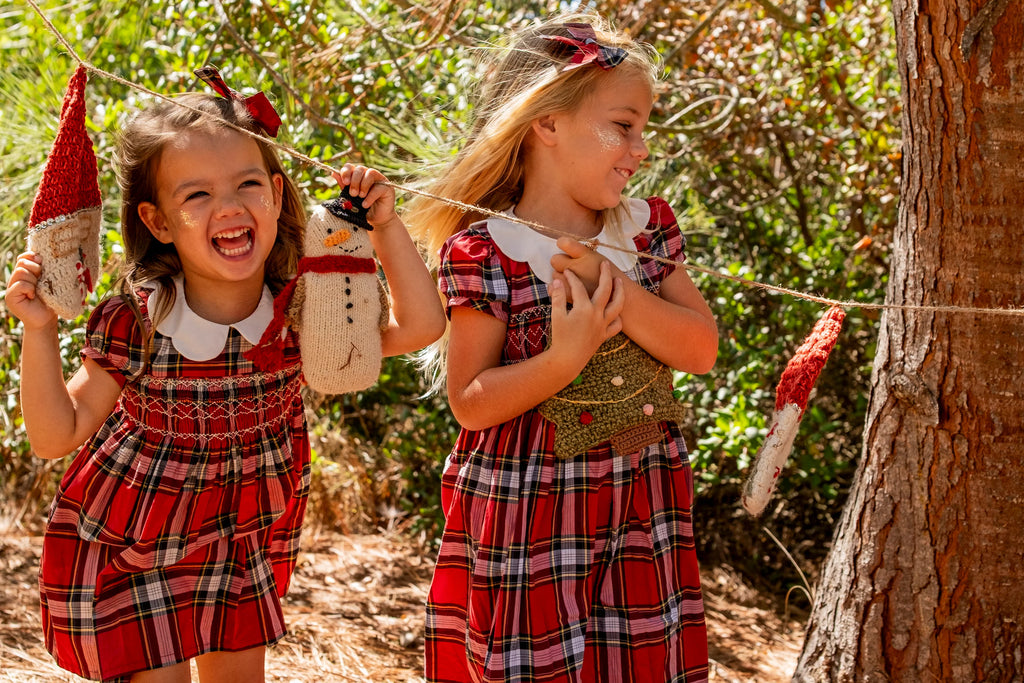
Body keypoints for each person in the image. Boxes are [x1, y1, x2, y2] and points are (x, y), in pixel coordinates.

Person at [5, 88, 445, 682]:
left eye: (247, 184)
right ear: (158, 222)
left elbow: (419, 326)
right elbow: (57, 436)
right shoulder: (140, 317)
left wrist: (385, 227)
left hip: (240, 542)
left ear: (278, 191)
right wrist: (38, 330)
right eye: (197, 194)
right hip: (134, 542)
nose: (230, 206)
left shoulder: (302, 312)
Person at [406, 11, 719, 683]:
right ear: (546, 123)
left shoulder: (643, 231)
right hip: (530, 517)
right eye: (623, 126)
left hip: (640, 506)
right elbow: (469, 400)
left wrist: (619, 289)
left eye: (643, 129)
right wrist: (562, 360)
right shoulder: (487, 252)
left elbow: (699, 348)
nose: (639, 149)